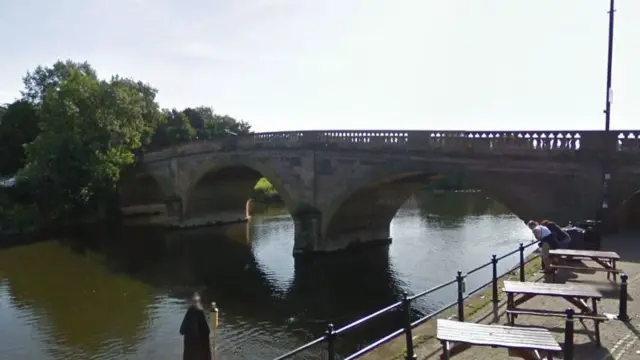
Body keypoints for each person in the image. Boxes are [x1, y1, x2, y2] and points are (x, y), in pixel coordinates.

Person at [180, 292, 212, 360]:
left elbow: (181, 331)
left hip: (190, 352)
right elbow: (207, 331)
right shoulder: (201, 313)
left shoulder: (189, 313)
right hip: (201, 352)